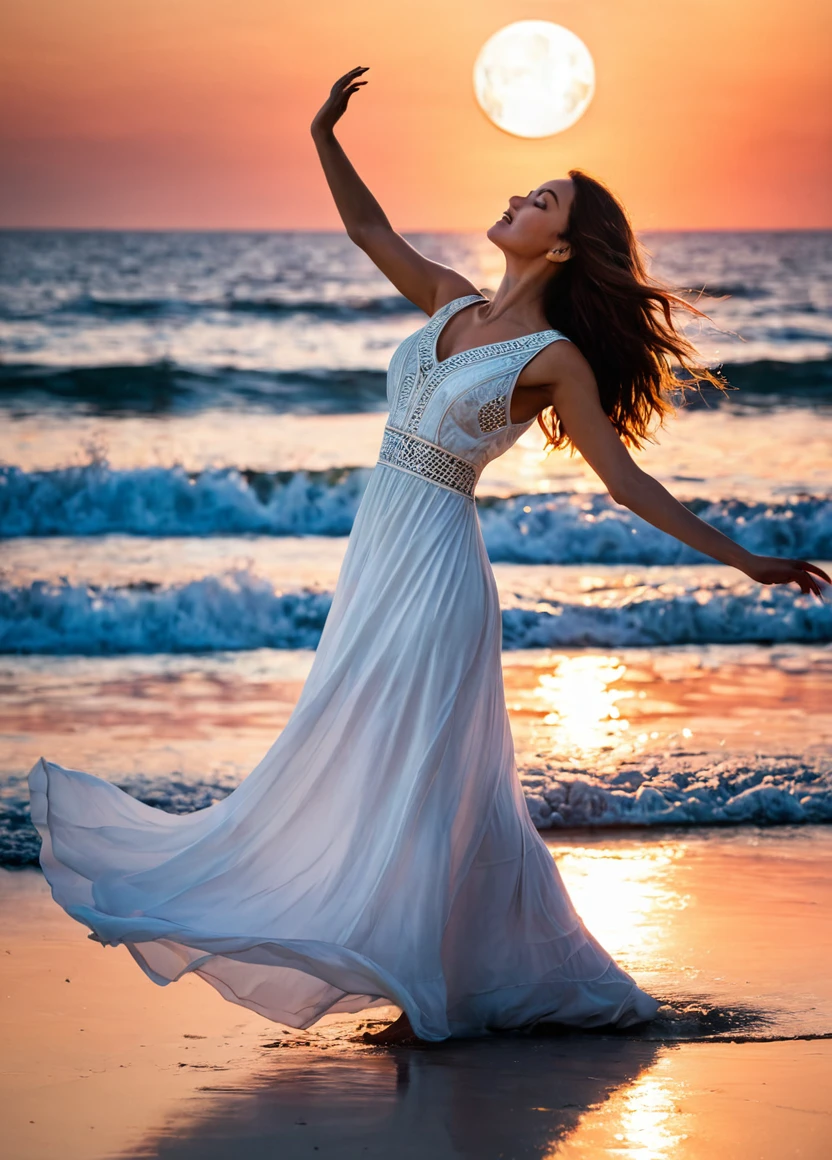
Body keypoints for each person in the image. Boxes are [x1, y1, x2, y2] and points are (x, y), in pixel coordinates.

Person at [29, 68, 829, 1048]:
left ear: (566, 244)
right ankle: (455, 971)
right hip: (379, 559)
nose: (515, 201)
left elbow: (625, 484)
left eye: (540, 201)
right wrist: (322, 132)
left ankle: (427, 988)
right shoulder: (448, 303)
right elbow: (369, 234)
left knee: (421, 774)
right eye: (523, 190)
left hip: (439, 573)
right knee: (368, 753)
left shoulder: (554, 359)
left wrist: (743, 558)